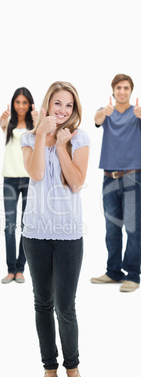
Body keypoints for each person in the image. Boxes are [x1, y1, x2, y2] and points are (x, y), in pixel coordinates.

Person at [21, 81, 89, 377]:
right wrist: (40, 137)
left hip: (68, 234)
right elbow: (35, 174)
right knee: (42, 303)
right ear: (48, 104)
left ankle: (72, 369)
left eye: (69, 106)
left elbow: (76, 182)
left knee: (66, 306)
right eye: (58, 103)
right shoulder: (27, 138)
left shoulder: (79, 138)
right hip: (35, 233)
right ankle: (50, 369)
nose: (63, 111)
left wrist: (61, 146)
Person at [90, 74, 141, 292]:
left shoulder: (137, 113)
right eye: (118, 87)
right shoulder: (106, 112)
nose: (122, 91)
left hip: (132, 176)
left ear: (131, 90)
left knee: (133, 228)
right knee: (111, 228)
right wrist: (103, 112)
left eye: (126, 88)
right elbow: (97, 119)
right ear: (113, 90)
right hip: (109, 177)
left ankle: (133, 274)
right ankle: (113, 272)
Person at [0, 87, 38, 284]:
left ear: (30, 104)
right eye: (17, 102)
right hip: (10, 180)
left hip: (29, 180)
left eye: (24, 102)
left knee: (25, 225)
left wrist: (39, 122)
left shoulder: (35, 126)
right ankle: (10, 269)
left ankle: (21, 268)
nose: (21, 106)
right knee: (9, 226)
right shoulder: (8, 123)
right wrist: (2, 120)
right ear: (13, 103)